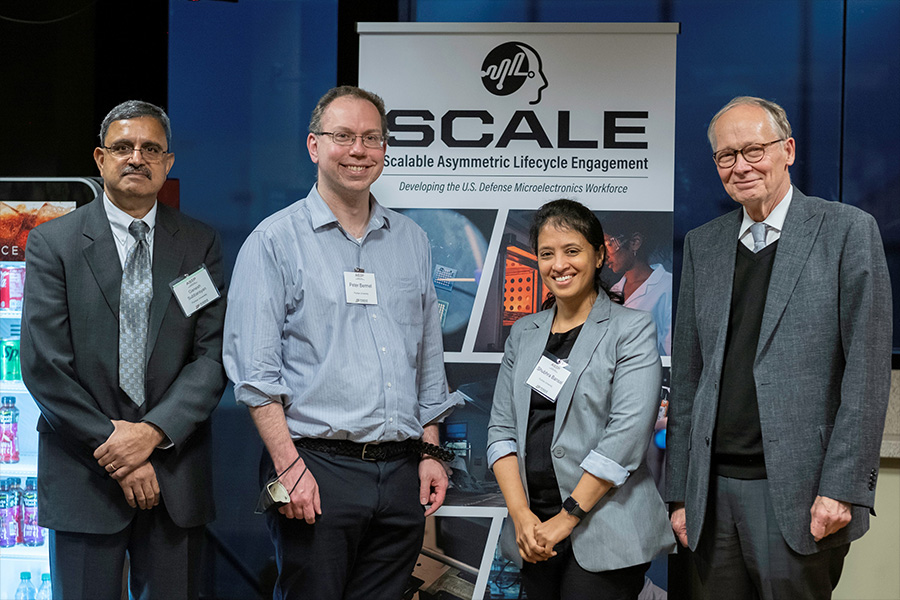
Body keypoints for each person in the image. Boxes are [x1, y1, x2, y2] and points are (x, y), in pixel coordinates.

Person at [223, 85, 461, 600]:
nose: (359, 150)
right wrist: (290, 469)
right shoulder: (273, 241)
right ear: (314, 146)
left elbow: (427, 360)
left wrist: (430, 451)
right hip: (315, 469)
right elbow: (255, 376)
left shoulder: (412, 240)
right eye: (344, 136)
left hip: (400, 474)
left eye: (371, 138)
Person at [666, 96, 892, 599]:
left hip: (800, 493)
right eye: (727, 156)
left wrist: (843, 487)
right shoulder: (703, 245)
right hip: (712, 495)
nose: (740, 166)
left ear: (787, 150)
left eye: (753, 150)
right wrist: (680, 495)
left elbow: (867, 373)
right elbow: (687, 380)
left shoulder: (847, 231)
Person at [20, 100, 227, 599]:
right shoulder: (54, 243)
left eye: (151, 148)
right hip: (84, 473)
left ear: (168, 162)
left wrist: (152, 434)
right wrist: (121, 451)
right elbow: (45, 366)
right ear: (100, 158)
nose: (137, 157)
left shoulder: (199, 244)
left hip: (173, 473)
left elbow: (211, 357)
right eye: (124, 147)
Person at [487, 199, 675, 600]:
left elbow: (625, 437)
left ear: (599, 255)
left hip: (604, 528)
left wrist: (566, 518)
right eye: (547, 253)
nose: (559, 264)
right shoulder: (524, 333)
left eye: (572, 250)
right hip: (534, 531)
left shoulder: (632, 328)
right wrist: (522, 516)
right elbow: (501, 429)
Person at [603, 215, 672, 356]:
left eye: (609, 245)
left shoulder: (667, 286)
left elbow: (669, 350)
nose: (604, 257)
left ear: (635, 242)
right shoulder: (613, 291)